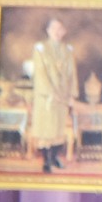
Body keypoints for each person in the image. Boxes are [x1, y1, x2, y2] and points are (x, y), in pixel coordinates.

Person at [27, 16, 78, 172]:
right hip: (46, 98)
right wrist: (50, 92)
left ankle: (55, 158)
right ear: (48, 31)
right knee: (46, 130)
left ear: (64, 31)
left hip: (62, 97)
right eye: (53, 28)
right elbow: (40, 74)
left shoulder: (67, 50)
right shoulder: (40, 48)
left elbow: (72, 74)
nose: (57, 32)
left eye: (59, 29)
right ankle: (46, 161)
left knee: (58, 129)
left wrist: (71, 95)